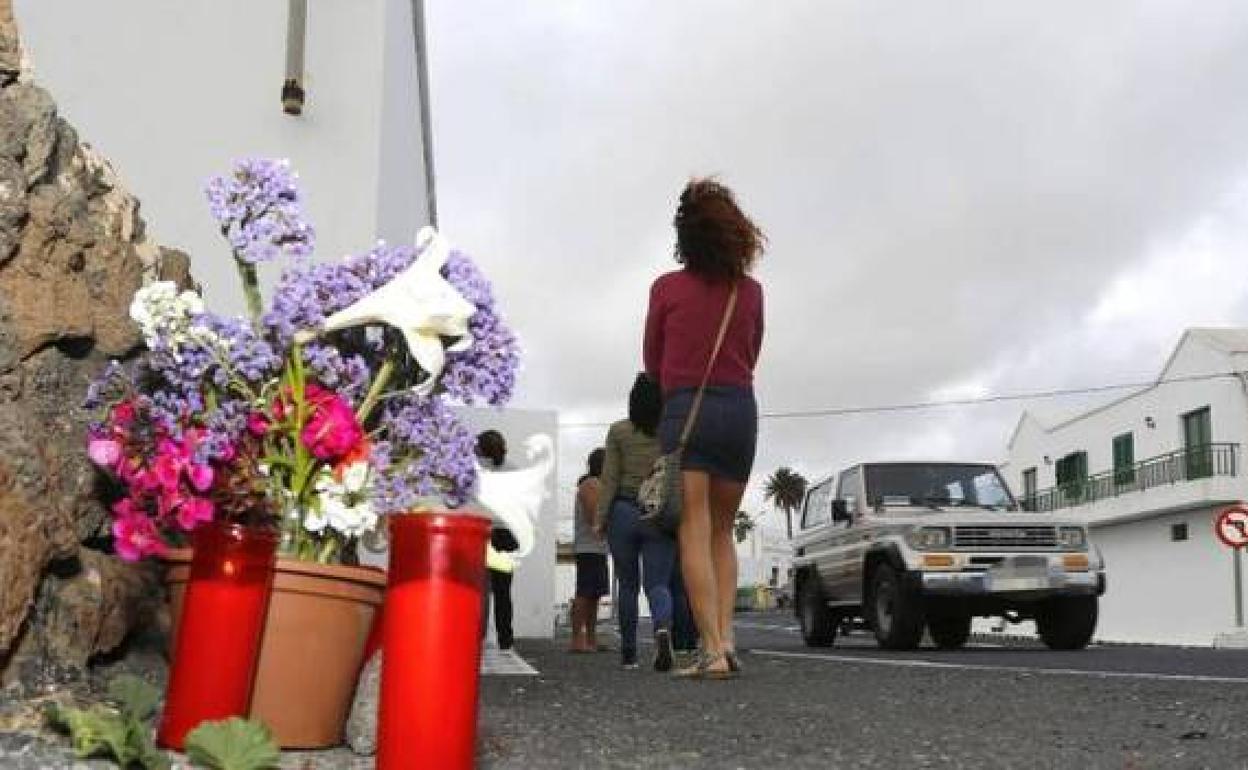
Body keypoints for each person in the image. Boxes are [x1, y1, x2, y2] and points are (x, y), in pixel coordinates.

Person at [644, 178, 765, 679]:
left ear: (684, 235)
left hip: (687, 411)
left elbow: (652, 361)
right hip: (739, 411)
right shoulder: (750, 291)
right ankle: (728, 640)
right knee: (722, 530)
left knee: (692, 528)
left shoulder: (667, 288)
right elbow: (753, 353)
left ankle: (711, 651)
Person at [595, 373, 672, 671]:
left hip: (623, 512)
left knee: (627, 585)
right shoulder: (671, 433)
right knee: (658, 584)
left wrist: (600, 519)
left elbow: (609, 477)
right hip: (659, 513)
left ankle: (629, 653)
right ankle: (662, 629)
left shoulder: (618, 432)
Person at [477, 429, 518, 650]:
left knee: (479, 591)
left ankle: (478, 637)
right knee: (503, 591)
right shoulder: (512, 468)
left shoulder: (474, 469)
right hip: (504, 534)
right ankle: (505, 639)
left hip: (480, 533)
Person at [570, 448, 609, 652]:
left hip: (598, 548)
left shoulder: (599, 485)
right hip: (588, 548)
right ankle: (577, 639)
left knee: (594, 595)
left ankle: (591, 639)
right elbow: (595, 517)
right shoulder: (590, 485)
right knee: (584, 593)